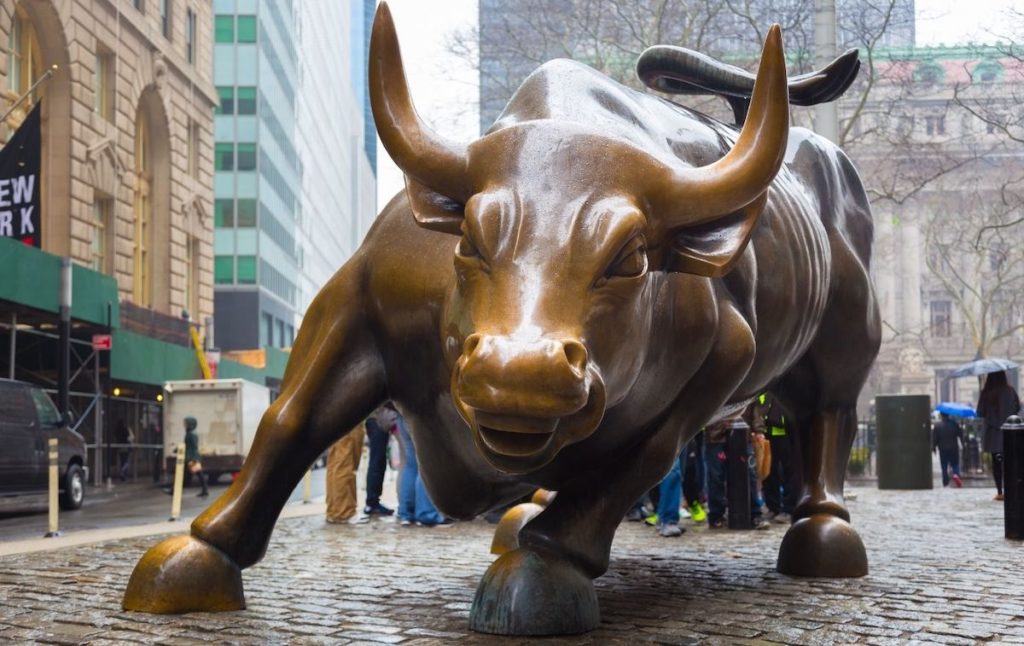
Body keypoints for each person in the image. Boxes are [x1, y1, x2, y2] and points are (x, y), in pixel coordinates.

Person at [395, 411, 450, 527]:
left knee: (411, 464)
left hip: (401, 414)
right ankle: (426, 514)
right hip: (422, 413)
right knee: (426, 462)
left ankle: (406, 514)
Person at [976, 370, 1021, 501]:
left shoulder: (986, 393)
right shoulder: (1010, 391)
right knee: (1009, 463)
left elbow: (979, 412)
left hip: (992, 434)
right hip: (1009, 433)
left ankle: (999, 491)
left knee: (996, 463)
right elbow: (1017, 408)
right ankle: (1010, 490)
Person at [758, 393, 799, 523]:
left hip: (787, 433)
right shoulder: (767, 387)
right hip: (768, 433)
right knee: (769, 471)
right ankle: (772, 507)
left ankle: (789, 508)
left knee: (790, 471)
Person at [325, 422, 368, 524]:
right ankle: (344, 512)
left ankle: (334, 511)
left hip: (335, 420)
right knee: (345, 466)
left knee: (336, 465)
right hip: (348, 421)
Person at [364, 403, 396, 516]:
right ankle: (372, 502)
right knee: (377, 461)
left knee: (378, 461)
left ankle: (373, 501)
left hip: (375, 418)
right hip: (377, 419)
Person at [932, 412, 964, 488]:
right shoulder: (954, 424)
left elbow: (935, 439)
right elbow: (960, 435)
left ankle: (945, 482)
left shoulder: (937, 426)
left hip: (943, 449)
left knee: (944, 467)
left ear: (941, 416)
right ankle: (956, 475)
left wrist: (933, 448)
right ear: (948, 415)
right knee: (955, 464)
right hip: (953, 449)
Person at [184, 416, 208, 498]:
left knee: (198, 474)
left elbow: (194, 447)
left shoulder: (192, 434)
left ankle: (205, 491)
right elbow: (187, 445)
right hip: (191, 456)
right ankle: (205, 491)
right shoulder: (189, 433)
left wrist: (192, 459)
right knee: (196, 474)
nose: (184, 424)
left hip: (192, 457)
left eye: (186, 423)